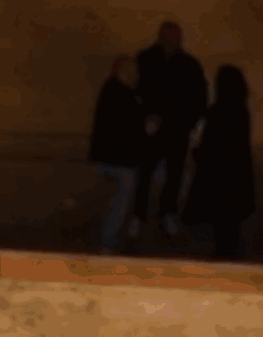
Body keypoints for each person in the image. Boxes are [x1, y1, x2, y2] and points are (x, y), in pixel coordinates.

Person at [132, 20, 208, 241]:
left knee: (174, 174)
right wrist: (143, 118)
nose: (171, 42)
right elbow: (135, 91)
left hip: (178, 129)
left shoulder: (189, 64)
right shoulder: (145, 60)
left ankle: (167, 213)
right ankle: (139, 214)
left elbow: (198, 95)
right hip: (150, 130)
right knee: (144, 173)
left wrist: (194, 124)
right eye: (167, 37)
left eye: (175, 38)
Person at [183, 65, 255, 262]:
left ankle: (223, 260)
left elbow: (210, 146)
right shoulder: (241, 111)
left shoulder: (217, 112)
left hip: (217, 178)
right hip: (235, 178)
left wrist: (199, 154)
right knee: (230, 229)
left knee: (221, 228)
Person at [89, 55, 146, 253]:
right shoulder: (120, 94)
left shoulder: (116, 91)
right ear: (121, 71)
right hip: (118, 160)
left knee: (117, 202)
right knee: (120, 202)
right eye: (132, 71)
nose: (136, 75)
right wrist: (145, 127)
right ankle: (109, 241)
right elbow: (125, 127)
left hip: (114, 157)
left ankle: (110, 239)